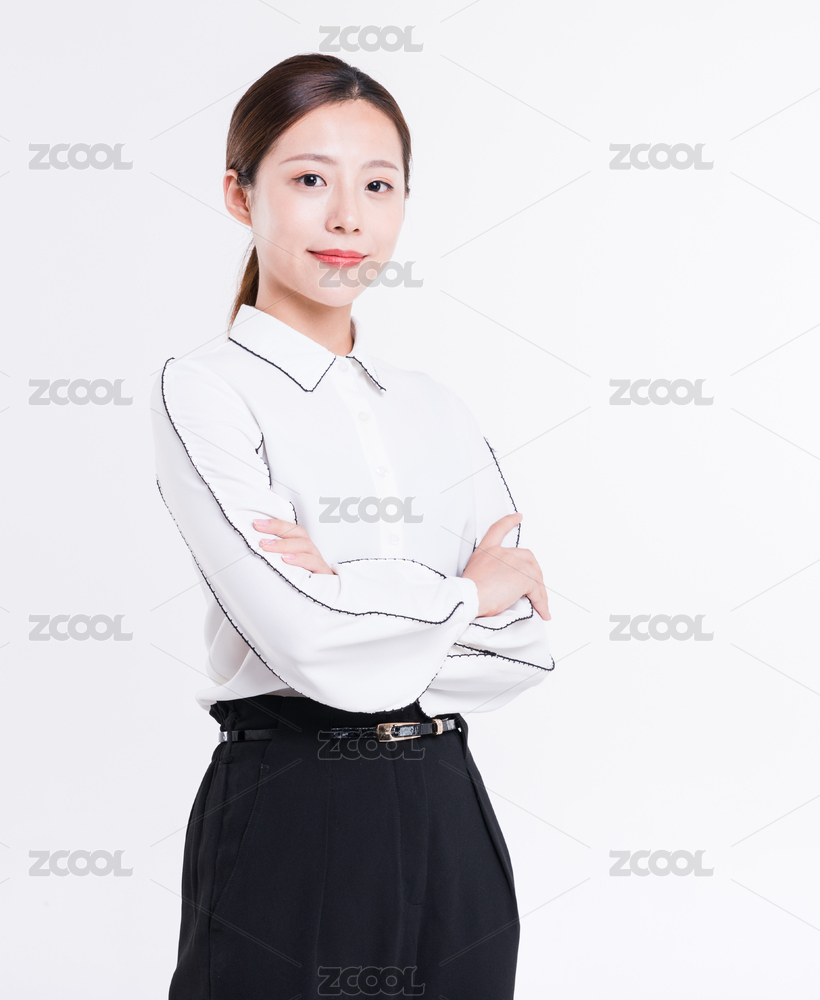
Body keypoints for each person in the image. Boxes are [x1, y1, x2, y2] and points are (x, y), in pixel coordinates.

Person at [150, 53, 555, 999]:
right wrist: (463, 593)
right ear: (239, 194)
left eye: (378, 185)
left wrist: (346, 589)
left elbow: (524, 648)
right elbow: (306, 642)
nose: (348, 219)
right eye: (309, 180)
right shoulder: (207, 390)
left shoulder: (436, 407)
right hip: (294, 805)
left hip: (451, 811)